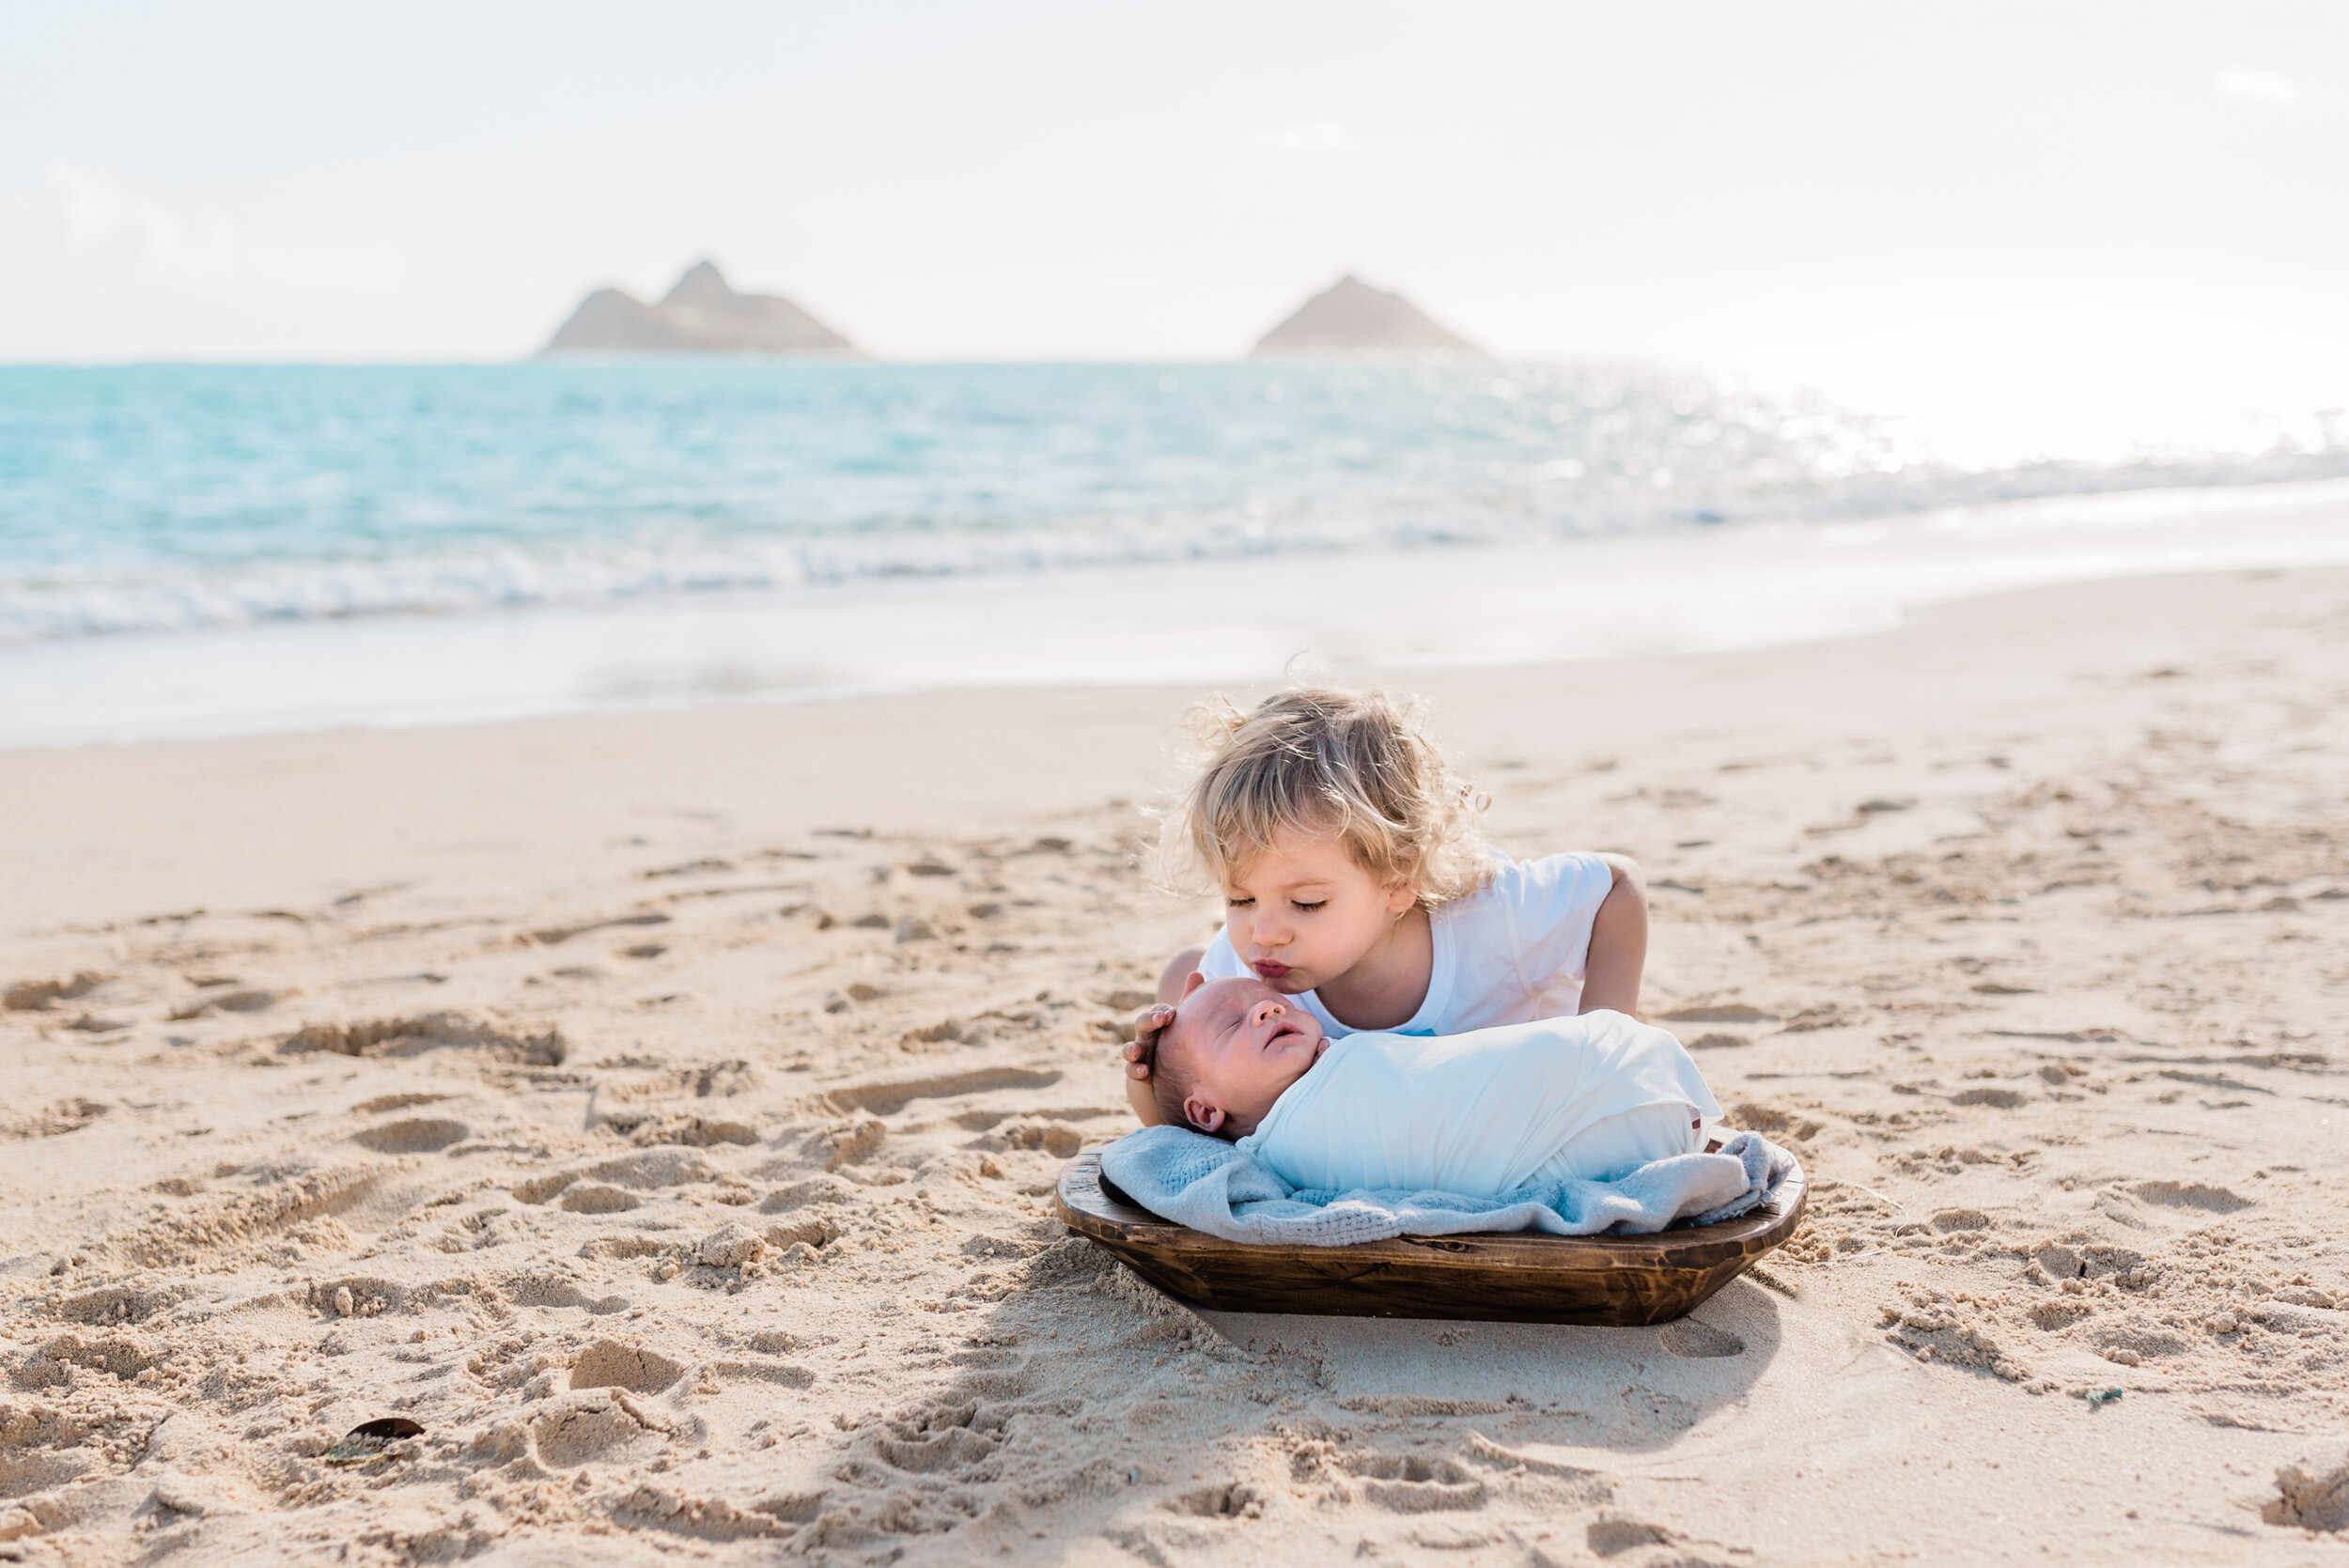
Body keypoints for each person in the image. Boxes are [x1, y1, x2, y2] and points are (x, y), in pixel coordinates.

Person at [1121, 686, 1650, 1129]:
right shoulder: (1249, 987)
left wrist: (1601, 1044)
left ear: (1399, 883)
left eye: (1307, 903)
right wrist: (1147, 1078)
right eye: (1239, 898)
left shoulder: (1495, 917)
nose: (1264, 933)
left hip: (1513, 1106)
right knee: (1183, 977)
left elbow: (1617, 885)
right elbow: (1181, 1125)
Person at [1146, 973, 1719, 1195]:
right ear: (1205, 1115)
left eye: (1270, 1003)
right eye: (1232, 1023)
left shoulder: (1350, 1058)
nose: (1266, 1013)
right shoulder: (1283, 1154)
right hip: (1605, 1121)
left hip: (1621, 1073)